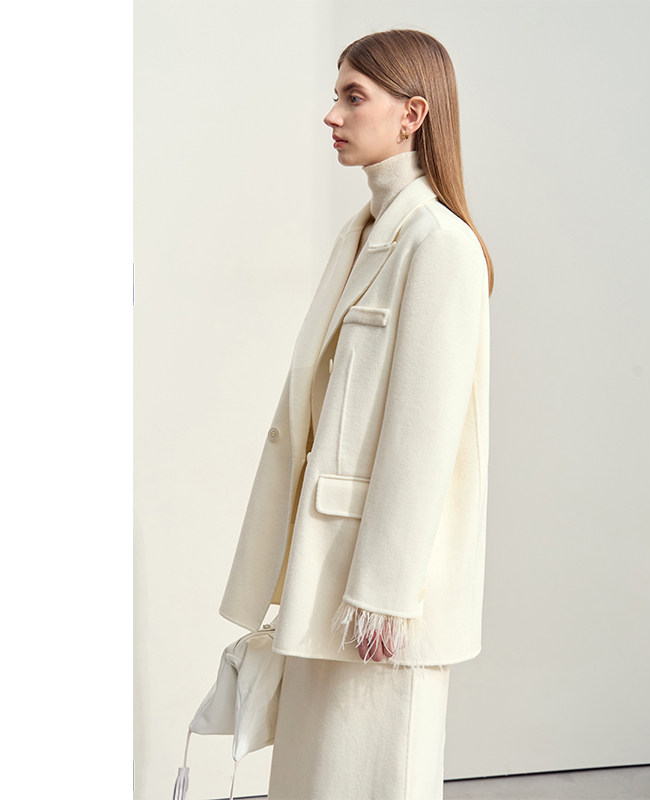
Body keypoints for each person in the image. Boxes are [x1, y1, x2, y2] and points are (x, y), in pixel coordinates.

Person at [219, 28, 494, 799]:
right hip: (324, 568)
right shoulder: (363, 233)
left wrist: (383, 596)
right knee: (314, 779)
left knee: (375, 777)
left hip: (378, 594)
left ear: (413, 114)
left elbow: (424, 436)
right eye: (335, 94)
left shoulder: (440, 245)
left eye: (353, 96)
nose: (332, 115)